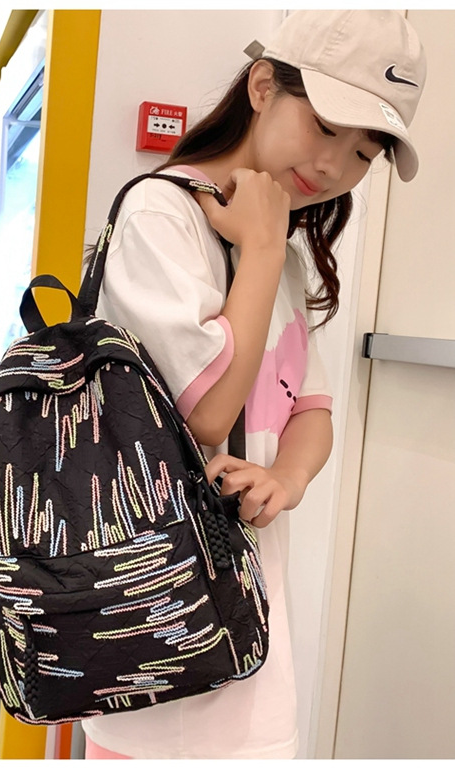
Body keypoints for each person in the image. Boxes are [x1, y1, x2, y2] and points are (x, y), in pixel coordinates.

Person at [82, 9, 426, 760]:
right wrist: (265, 245)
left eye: (362, 152)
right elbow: (208, 412)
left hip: (249, 631)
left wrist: (286, 479)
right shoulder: (162, 213)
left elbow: (313, 409)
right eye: (325, 126)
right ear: (264, 86)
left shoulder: (286, 258)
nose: (333, 166)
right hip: (156, 631)